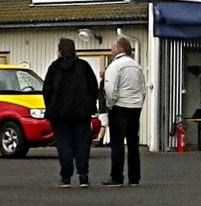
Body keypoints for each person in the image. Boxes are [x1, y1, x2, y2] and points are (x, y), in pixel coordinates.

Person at [43, 38, 98, 188]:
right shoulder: (83, 66)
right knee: (82, 144)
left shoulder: (54, 68)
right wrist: (90, 106)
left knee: (64, 144)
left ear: (59, 51)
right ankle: (83, 175)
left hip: (60, 114)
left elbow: (47, 90)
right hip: (81, 113)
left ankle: (66, 176)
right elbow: (93, 88)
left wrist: (51, 107)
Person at [101, 36, 146, 187]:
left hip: (119, 107)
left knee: (117, 143)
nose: (110, 50)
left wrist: (110, 103)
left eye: (113, 47)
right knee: (133, 143)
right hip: (135, 107)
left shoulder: (115, 66)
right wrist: (139, 103)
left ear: (120, 49)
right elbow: (143, 88)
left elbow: (110, 88)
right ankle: (134, 178)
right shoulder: (136, 66)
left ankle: (116, 177)